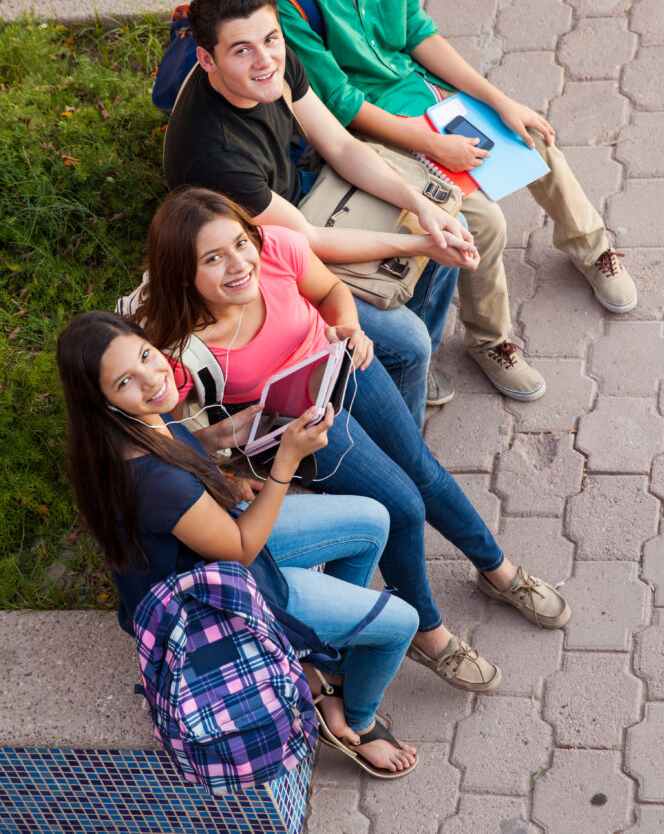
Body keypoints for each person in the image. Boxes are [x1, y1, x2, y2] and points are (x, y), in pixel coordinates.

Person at [134, 187, 572, 697]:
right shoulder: (181, 346)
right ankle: (428, 634)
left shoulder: (276, 248)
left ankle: (499, 572)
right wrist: (219, 453)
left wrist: (348, 327)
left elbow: (329, 292)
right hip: (306, 425)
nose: (238, 265)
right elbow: (163, 433)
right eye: (213, 259)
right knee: (403, 507)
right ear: (183, 274)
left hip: (343, 365)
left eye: (239, 244)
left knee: (421, 467)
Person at [262, 0, 637, 402]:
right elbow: (340, 105)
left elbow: (417, 34)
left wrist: (498, 99)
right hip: (377, 131)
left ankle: (590, 247)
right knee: (482, 219)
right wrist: (435, 147)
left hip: (425, 98)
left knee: (532, 139)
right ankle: (490, 340)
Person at [56, 309, 423, 778]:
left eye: (146, 355)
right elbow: (242, 548)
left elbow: (176, 444)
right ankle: (357, 720)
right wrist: (285, 460)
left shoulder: (130, 423)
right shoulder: (151, 482)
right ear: (103, 400)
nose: (152, 379)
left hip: (217, 547)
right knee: (401, 623)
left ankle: (323, 669)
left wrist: (220, 436)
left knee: (372, 519)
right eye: (126, 380)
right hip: (224, 596)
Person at [162, 0, 482, 426]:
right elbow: (305, 242)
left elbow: (341, 146)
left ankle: (406, 367)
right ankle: (403, 414)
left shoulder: (274, 62)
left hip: (303, 195)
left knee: (446, 221)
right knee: (409, 339)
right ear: (206, 59)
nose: (264, 60)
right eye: (241, 50)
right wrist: (419, 243)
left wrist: (422, 209)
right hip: (261, 258)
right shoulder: (214, 156)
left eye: (270, 38)